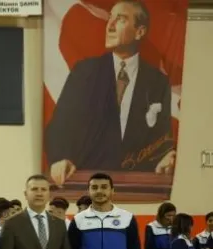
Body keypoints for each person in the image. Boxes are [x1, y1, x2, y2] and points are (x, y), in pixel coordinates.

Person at [46, 0, 175, 185]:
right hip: (86, 183)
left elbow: (162, 139)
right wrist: (60, 158)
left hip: (137, 186)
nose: (110, 25)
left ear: (139, 32)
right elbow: (59, 126)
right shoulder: (84, 72)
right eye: (110, 18)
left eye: (120, 19)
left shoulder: (158, 82)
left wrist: (165, 158)